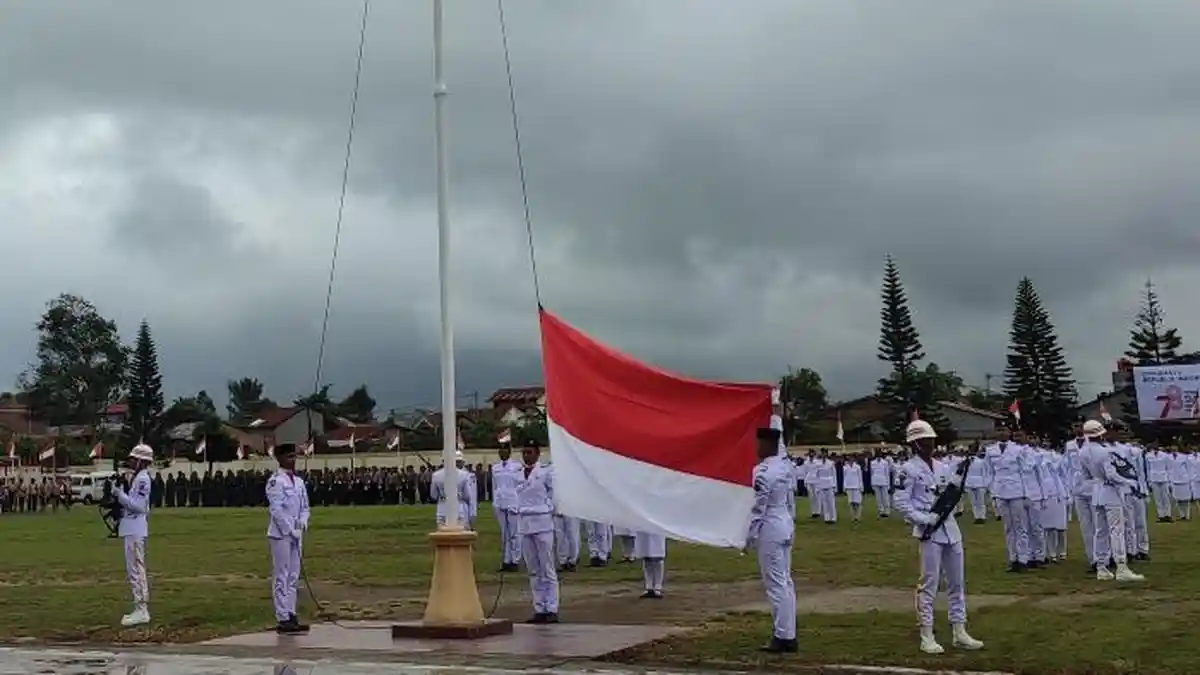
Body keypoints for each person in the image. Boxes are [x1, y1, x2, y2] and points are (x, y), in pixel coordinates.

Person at [893, 420, 984, 655]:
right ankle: (926, 634)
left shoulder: (942, 466)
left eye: (931, 440)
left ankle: (959, 630)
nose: (929, 444)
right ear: (914, 443)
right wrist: (923, 519)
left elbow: (949, 493)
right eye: (924, 441)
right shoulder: (907, 470)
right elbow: (901, 503)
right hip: (929, 532)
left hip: (950, 529)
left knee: (957, 582)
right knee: (929, 584)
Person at [745, 426, 797, 654]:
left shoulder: (763, 471)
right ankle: (788, 633)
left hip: (770, 528)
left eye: (759, 443)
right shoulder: (784, 465)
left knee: (776, 584)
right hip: (785, 523)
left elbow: (759, 508)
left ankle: (783, 636)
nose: (756, 447)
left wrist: (750, 536)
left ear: (766, 445)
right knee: (786, 582)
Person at [1079, 421, 1143, 582]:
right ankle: (1122, 567)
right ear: (1100, 434)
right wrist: (1129, 482)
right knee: (1117, 530)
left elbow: (1086, 475)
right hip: (1110, 492)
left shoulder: (1083, 452)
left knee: (1101, 531)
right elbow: (1112, 475)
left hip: (1096, 491)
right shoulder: (1104, 452)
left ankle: (1101, 567)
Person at [266, 443, 311, 634]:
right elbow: (276, 509)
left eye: (295, 456)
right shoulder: (276, 481)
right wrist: (289, 529)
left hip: (296, 534)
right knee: (281, 575)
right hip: (280, 535)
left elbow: (305, 508)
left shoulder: (299, 482)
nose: (293, 460)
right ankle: (282, 617)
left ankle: (291, 614)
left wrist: (302, 523)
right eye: (289, 457)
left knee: (293, 576)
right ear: (280, 459)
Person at [516, 440, 558, 623]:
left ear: (537, 453)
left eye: (530, 452)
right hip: (525, 523)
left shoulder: (545, 472)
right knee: (533, 570)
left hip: (542, 522)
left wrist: (547, 508)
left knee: (547, 567)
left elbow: (554, 494)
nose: (527, 456)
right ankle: (539, 607)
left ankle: (552, 608)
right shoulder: (517, 473)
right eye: (524, 452)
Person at [115, 442, 155, 627]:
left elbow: (138, 506)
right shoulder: (138, 477)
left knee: (136, 570)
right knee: (133, 569)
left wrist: (120, 495)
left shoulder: (143, 479)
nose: (131, 462)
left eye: (134, 459)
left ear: (141, 461)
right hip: (131, 527)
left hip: (135, 528)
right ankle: (139, 607)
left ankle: (141, 608)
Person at [491, 444, 522, 571]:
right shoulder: (495, 468)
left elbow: (520, 485)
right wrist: (494, 502)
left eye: (505, 451)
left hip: (513, 502)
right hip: (500, 502)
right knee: (505, 534)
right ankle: (506, 560)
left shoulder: (517, 466)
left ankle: (515, 560)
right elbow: (494, 486)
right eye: (500, 451)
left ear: (509, 452)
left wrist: (519, 503)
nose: (502, 453)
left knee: (515, 533)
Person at [431, 450, 477, 529]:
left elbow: (433, 495)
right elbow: (467, 495)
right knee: (460, 536)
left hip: (442, 509)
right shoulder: (464, 475)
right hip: (459, 508)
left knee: (443, 536)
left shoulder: (436, 475)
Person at [635, 530, 666, 598]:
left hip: (656, 528)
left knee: (657, 556)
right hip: (644, 529)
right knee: (646, 556)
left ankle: (658, 586)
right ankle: (649, 586)